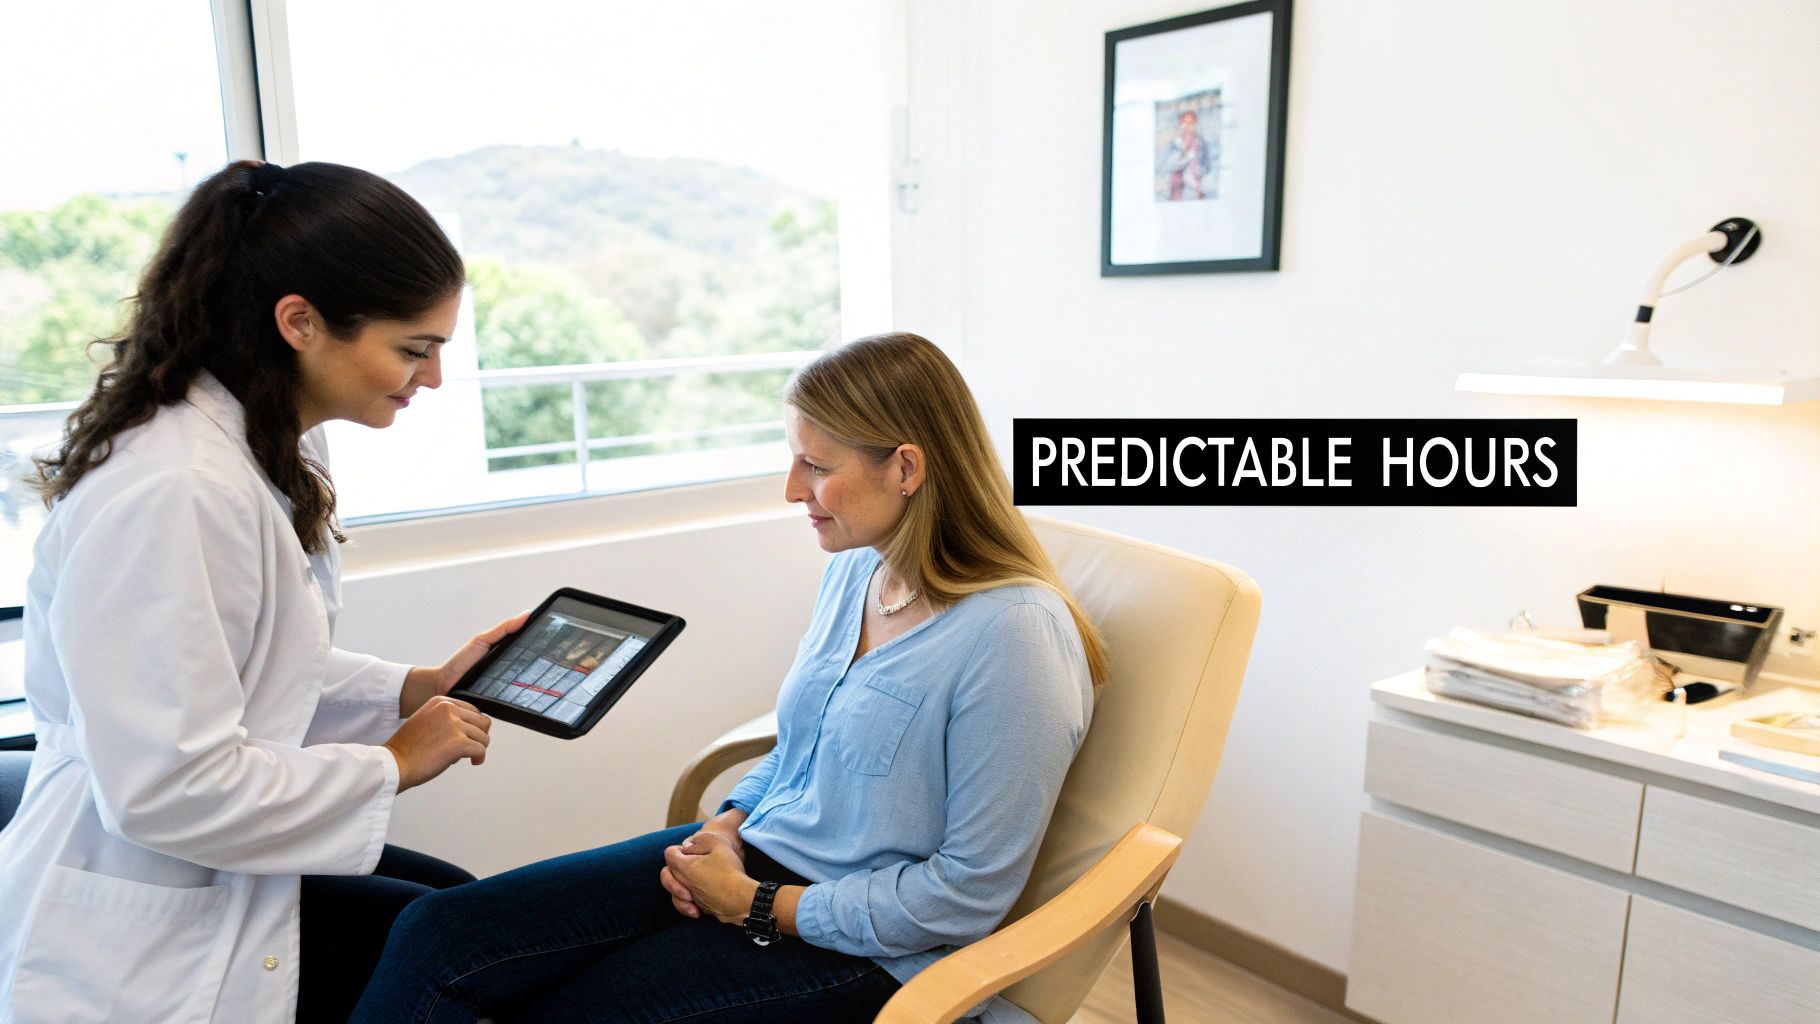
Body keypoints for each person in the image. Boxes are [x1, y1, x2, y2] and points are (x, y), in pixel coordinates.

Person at [347, 332, 1109, 1024]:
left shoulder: (1014, 636)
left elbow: (966, 895)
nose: (790, 489)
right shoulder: (859, 574)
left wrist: (758, 906)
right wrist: (728, 825)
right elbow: (803, 750)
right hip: (756, 858)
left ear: (906, 467)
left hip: (870, 951)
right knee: (438, 932)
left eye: (816, 465)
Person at [0, 160, 526, 1024]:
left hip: (205, 876)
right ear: (300, 323)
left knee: (445, 911)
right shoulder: (177, 489)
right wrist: (392, 762)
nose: (430, 378)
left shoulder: (260, 452)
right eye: (413, 348)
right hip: (130, 921)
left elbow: (239, 665)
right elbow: (168, 783)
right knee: (447, 938)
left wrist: (411, 689)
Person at [1159, 109, 1216, 201]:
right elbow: (1163, 167)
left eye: (1191, 122)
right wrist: (1182, 161)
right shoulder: (1174, 144)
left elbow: (1207, 166)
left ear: (1195, 124)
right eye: (1184, 122)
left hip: (1194, 192)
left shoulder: (1202, 143)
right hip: (1176, 192)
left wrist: (1199, 172)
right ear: (1180, 124)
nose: (1188, 126)